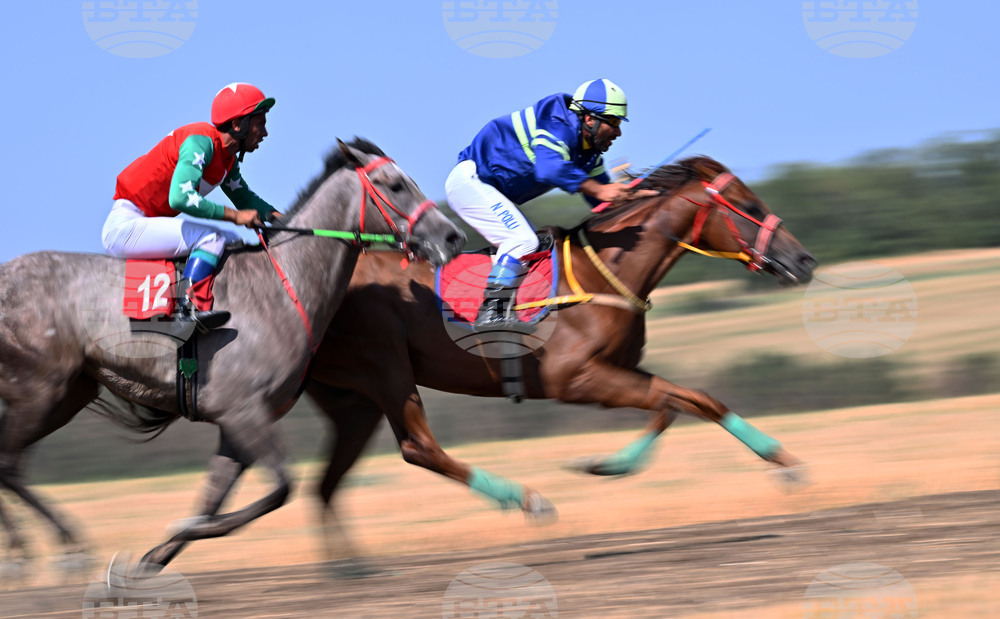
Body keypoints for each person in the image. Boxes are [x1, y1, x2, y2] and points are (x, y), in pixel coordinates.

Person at [445, 78, 653, 329]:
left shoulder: (589, 153)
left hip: (490, 190)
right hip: (470, 181)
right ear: (590, 119)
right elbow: (550, 168)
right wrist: (600, 189)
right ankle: (491, 311)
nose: (618, 133)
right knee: (524, 241)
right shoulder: (557, 123)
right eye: (614, 122)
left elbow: (602, 204)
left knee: (538, 245)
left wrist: (632, 198)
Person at [102, 82, 281, 329]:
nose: (264, 132)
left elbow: (246, 200)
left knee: (229, 238)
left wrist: (284, 219)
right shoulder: (201, 142)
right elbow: (181, 198)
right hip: (126, 225)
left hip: (145, 222)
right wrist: (235, 216)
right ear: (238, 125)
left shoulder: (226, 159)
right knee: (212, 238)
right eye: (259, 124)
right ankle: (186, 310)